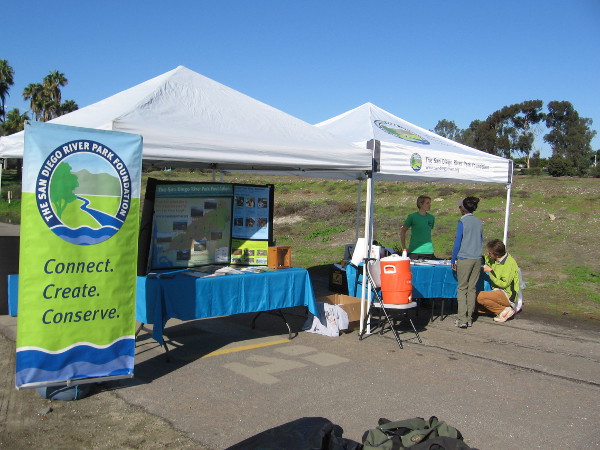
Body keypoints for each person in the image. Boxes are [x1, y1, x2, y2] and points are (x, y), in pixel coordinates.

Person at [451, 196, 483, 329]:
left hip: (465, 258)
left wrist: (453, 259)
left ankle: (462, 318)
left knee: (462, 288)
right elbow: (481, 240)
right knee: (472, 289)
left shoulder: (462, 222)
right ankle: (469, 318)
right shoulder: (479, 221)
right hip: (477, 257)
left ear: (463, 208)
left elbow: (457, 242)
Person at [477, 239, 521, 323]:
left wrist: (490, 272)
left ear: (496, 254)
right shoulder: (494, 259)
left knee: (479, 296)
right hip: (497, 290)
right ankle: (499, 310)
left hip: (507, 294)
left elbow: (504, 284)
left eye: (489, 253)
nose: (487, 254)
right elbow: (485, 259)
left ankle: (504, 310)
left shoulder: (509, 264)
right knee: (474, 306)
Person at [400, 195, 435, 260]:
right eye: (427, 203)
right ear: (420, 204)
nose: (429, 205)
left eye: (430, 203)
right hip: (415, 251)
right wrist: (404, 247)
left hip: (429, 251)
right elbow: (403, 230)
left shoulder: (431, 218)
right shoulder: (412, 217)